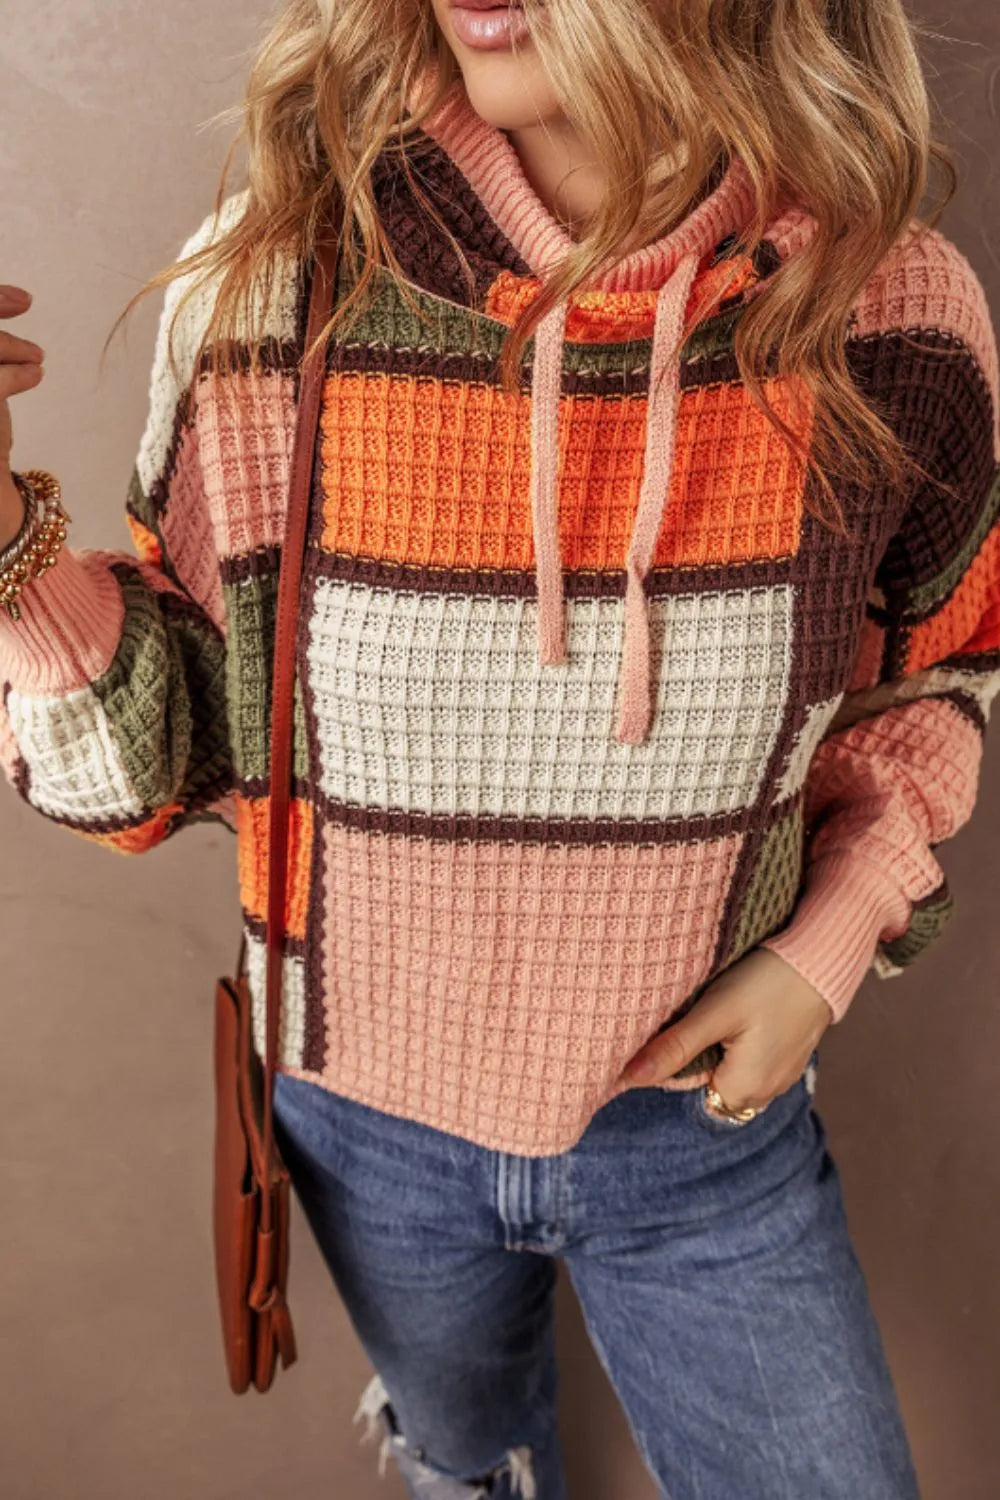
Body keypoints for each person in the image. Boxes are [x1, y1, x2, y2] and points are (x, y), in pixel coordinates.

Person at [1, 2, 997, 1495]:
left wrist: (834, 938)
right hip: (362, 1129)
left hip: (702, 1136)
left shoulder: (887, 309)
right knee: (470, 1467)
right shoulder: (277, 283)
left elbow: (940, 677)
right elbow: (164, 760)